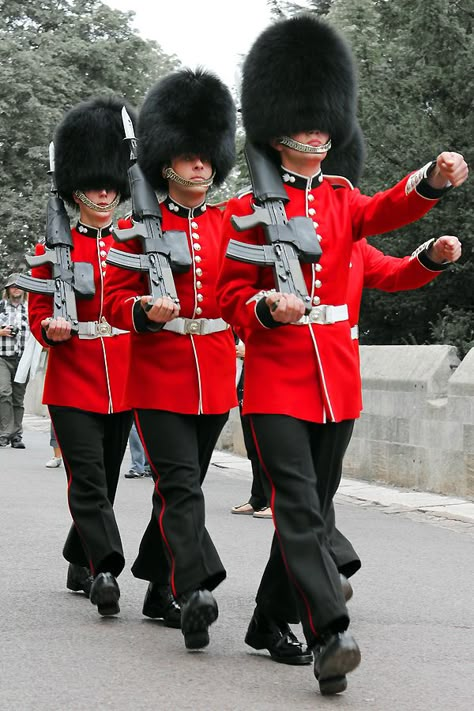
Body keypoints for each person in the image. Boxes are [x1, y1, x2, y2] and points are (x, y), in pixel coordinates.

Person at [216, 14, 468, 695]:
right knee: (299, 505)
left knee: (314, 504)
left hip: (336, 382)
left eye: (326, 122)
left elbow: (386, 213)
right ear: (277, 130)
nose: (318, 133)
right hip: (273, 381)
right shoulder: (243, 213)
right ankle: (329, 629)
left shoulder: (341, 199)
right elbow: (228, 299)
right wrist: (267, 308)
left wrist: (432, 182)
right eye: (306, 122)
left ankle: (269, 621)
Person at [104, 68, 237, 649]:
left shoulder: (231, 224)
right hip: (157, 376)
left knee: (176, 487)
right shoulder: (135, 228)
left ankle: (158, 585)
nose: (200, 167)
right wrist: (141, 313)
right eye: (188, 158)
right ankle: (195, 588)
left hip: (213, 373)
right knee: (182, 486)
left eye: (207, 158)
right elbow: (112, 300)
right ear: (165, 165)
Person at [27, 97, 134, 616]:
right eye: (94, 185)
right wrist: (50, 327)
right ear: (76, 190)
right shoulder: (54, 248)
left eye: (110, 185)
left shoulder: (134, 245)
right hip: (73, 379)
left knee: (108, 480)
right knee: (87, 479)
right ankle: (105, 570)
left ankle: (79, 553)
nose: (104, 193)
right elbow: (38, 310)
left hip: (125, 376)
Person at [232, 339, 271, 518]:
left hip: (269, 377)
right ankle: (258, 498)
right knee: (253, 446)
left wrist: (251, 351)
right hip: (246, 379)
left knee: (269, 448)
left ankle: (275, 500)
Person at [0, 286, 29, 448]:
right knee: (4, 393)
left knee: (18, 398)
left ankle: (16, 436)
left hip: (23, 358)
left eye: (19, 287)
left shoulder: (30, 309)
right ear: (8, 290)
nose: (16, 289)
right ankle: (4, 433)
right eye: (13, 287)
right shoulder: (0, 306)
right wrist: (1, 332)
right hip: (2, 357)